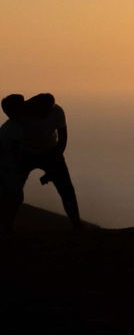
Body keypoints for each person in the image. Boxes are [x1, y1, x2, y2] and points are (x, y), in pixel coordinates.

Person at [13, 93, 83, 230]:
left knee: (67, 190)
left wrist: (53, 168)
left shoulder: (57, 112)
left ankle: (77, 226)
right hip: (26, 153)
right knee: (13, 189)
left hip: (51, 152)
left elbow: (62, 140)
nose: (45, 114)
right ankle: (8, 225)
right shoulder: (22, 112)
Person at [0, 94, 27, 235]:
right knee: (14, 198)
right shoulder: (14, 128)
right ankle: (7, 227)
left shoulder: (8, 126)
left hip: (6, 168)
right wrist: (19, 166)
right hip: (9, 169)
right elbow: (16, 150)